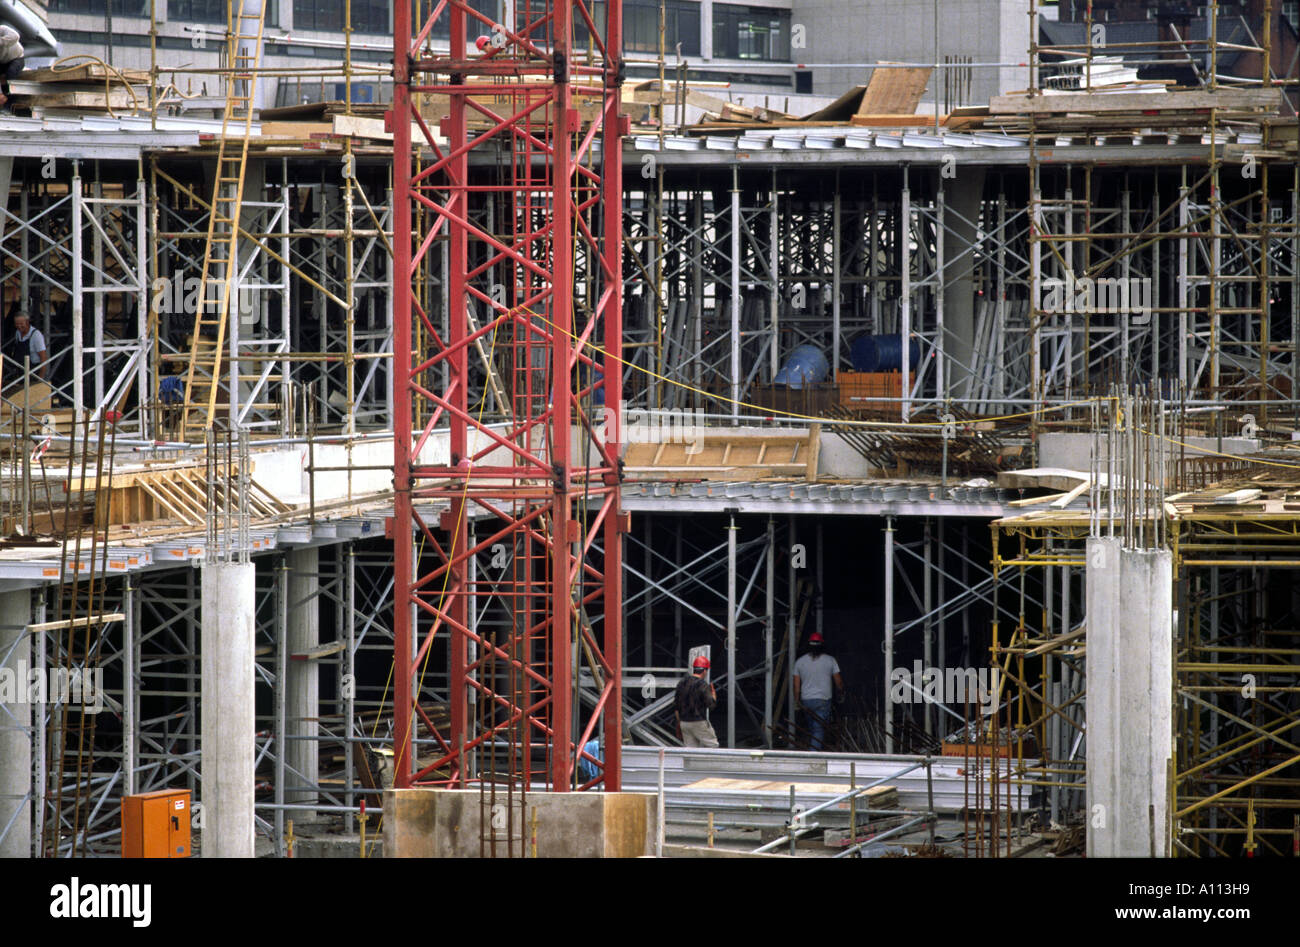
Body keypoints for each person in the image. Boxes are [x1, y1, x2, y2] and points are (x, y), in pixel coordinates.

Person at [793, 632, 843, 751]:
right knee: (818, 729)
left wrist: (796, 701)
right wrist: (841, 693)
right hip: (823, 700)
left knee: (813, 728)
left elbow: (796, 686)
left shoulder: (799, 662)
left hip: (806, 701)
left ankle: (813, 750)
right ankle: (814, 756)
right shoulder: (830, 660)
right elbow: (839, 682)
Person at [674, 653, 719, 748]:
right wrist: (714, 695)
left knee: (690, 751)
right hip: (698, 722)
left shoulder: (681, 683)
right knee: (713, 746)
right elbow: (711, 705)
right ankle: (708, 763)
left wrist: (679, 723)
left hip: (684, 723)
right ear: (704, 671)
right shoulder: (702, 684)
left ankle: (692, 764)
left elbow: (676, 707)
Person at [5, 311, 47, 382]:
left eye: (21, 324)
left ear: (27, 322)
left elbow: (43, 357)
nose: (19, 326)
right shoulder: (17, 333)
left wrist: (40, 378)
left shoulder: (36, 335)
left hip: (34, 371)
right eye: (16, 324)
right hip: (21, 370)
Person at [0, 25, 23, 111]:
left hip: (16, 58)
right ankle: (3, 100)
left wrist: (1, 41)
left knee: (11, 73)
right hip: (2, 62)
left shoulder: (2, 29)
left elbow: (15, 36)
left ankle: (10, 102)